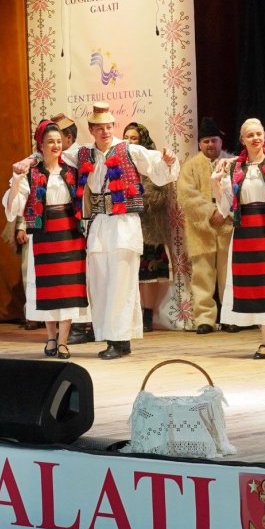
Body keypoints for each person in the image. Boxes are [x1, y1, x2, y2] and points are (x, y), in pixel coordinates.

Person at [63, 104, 178, 358]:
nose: (105, 132)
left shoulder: (129, 150)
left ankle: (120, 339)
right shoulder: (83, 154)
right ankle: (109, 336)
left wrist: (168, 160)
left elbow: (159, 170)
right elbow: (54, 153)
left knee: (121, 283)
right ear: (91, 130)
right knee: (100, 282)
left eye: (108, 127)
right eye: (99, 128)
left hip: (123, 223)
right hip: (99, 223)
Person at [7, 121, 90, 358]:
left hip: (70, 235)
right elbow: (14, 207)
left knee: (68, 288)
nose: (55, 145)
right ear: (40, 146)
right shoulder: (32, 174)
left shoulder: (70, 168)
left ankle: (63, 341)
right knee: (47, 288)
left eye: (58, 141)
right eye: (50, 141)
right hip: (44, 235)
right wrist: (15, 180)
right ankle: (51, 338)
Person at [212, 118, 265, 358]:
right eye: (250, 135)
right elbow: (225, 208)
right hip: (245, 230)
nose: (256, 138)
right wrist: (216, 183)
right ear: (242, 140)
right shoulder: (234, 169)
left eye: (259, 133)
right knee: (252, 287)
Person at [176, 116, 234, 334]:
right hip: (201, 228)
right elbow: (186, 195)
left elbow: (237, 191)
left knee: (228, 274)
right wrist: (210, 212)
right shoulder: (190, 167)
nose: (211, 145)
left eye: (214, 140)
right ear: (200, 144)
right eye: (206, 141)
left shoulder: (231, 163)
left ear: (221, 142)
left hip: (227, 225)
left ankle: (230, 316)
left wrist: (223, 212)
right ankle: (204, 319)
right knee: (202, 274)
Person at [123, 122, 175, 332]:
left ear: (142, 140)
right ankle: (132, 314)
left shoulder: (153, 162)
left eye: (133, 138)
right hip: (127, 229)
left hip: (150, 229)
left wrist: (134, 194)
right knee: (130, 275)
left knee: (150, 277)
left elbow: (160, 196)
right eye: (126, 137)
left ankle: (147, 314)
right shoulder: (121, 163)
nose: (129, 141)